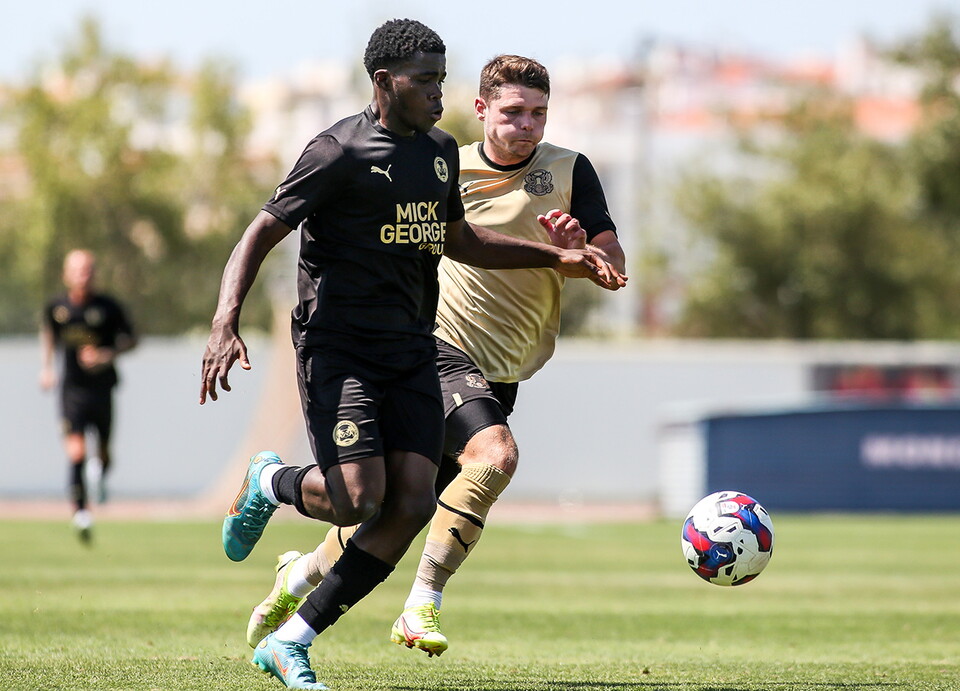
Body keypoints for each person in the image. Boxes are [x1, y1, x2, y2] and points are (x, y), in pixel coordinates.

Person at [199, 21, 625, 691]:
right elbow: (259, 232)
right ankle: (279, 487)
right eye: (425, 79)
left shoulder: (436, 152)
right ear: (384, 82)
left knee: (410, 503)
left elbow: (463, 240)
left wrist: (560, 255)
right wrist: (225, 321)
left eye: (440, 77)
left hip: (412, 348)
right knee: (363, 498)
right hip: (342, 347)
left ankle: (292, 635)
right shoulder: (337, 150)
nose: (437, 91)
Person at [40, 249, 137, 543]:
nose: (85, 274)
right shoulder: (57, 308)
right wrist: (46, 368)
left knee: (103, 454)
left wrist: (106, 355)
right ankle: (81, 512)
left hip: (103, 390)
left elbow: (131, 339)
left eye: (90, 269)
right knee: (77, 452)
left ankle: (100, 474)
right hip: (71, 392)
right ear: (66, 275)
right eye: (79, 269)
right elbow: (48, 333)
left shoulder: (108, 308)